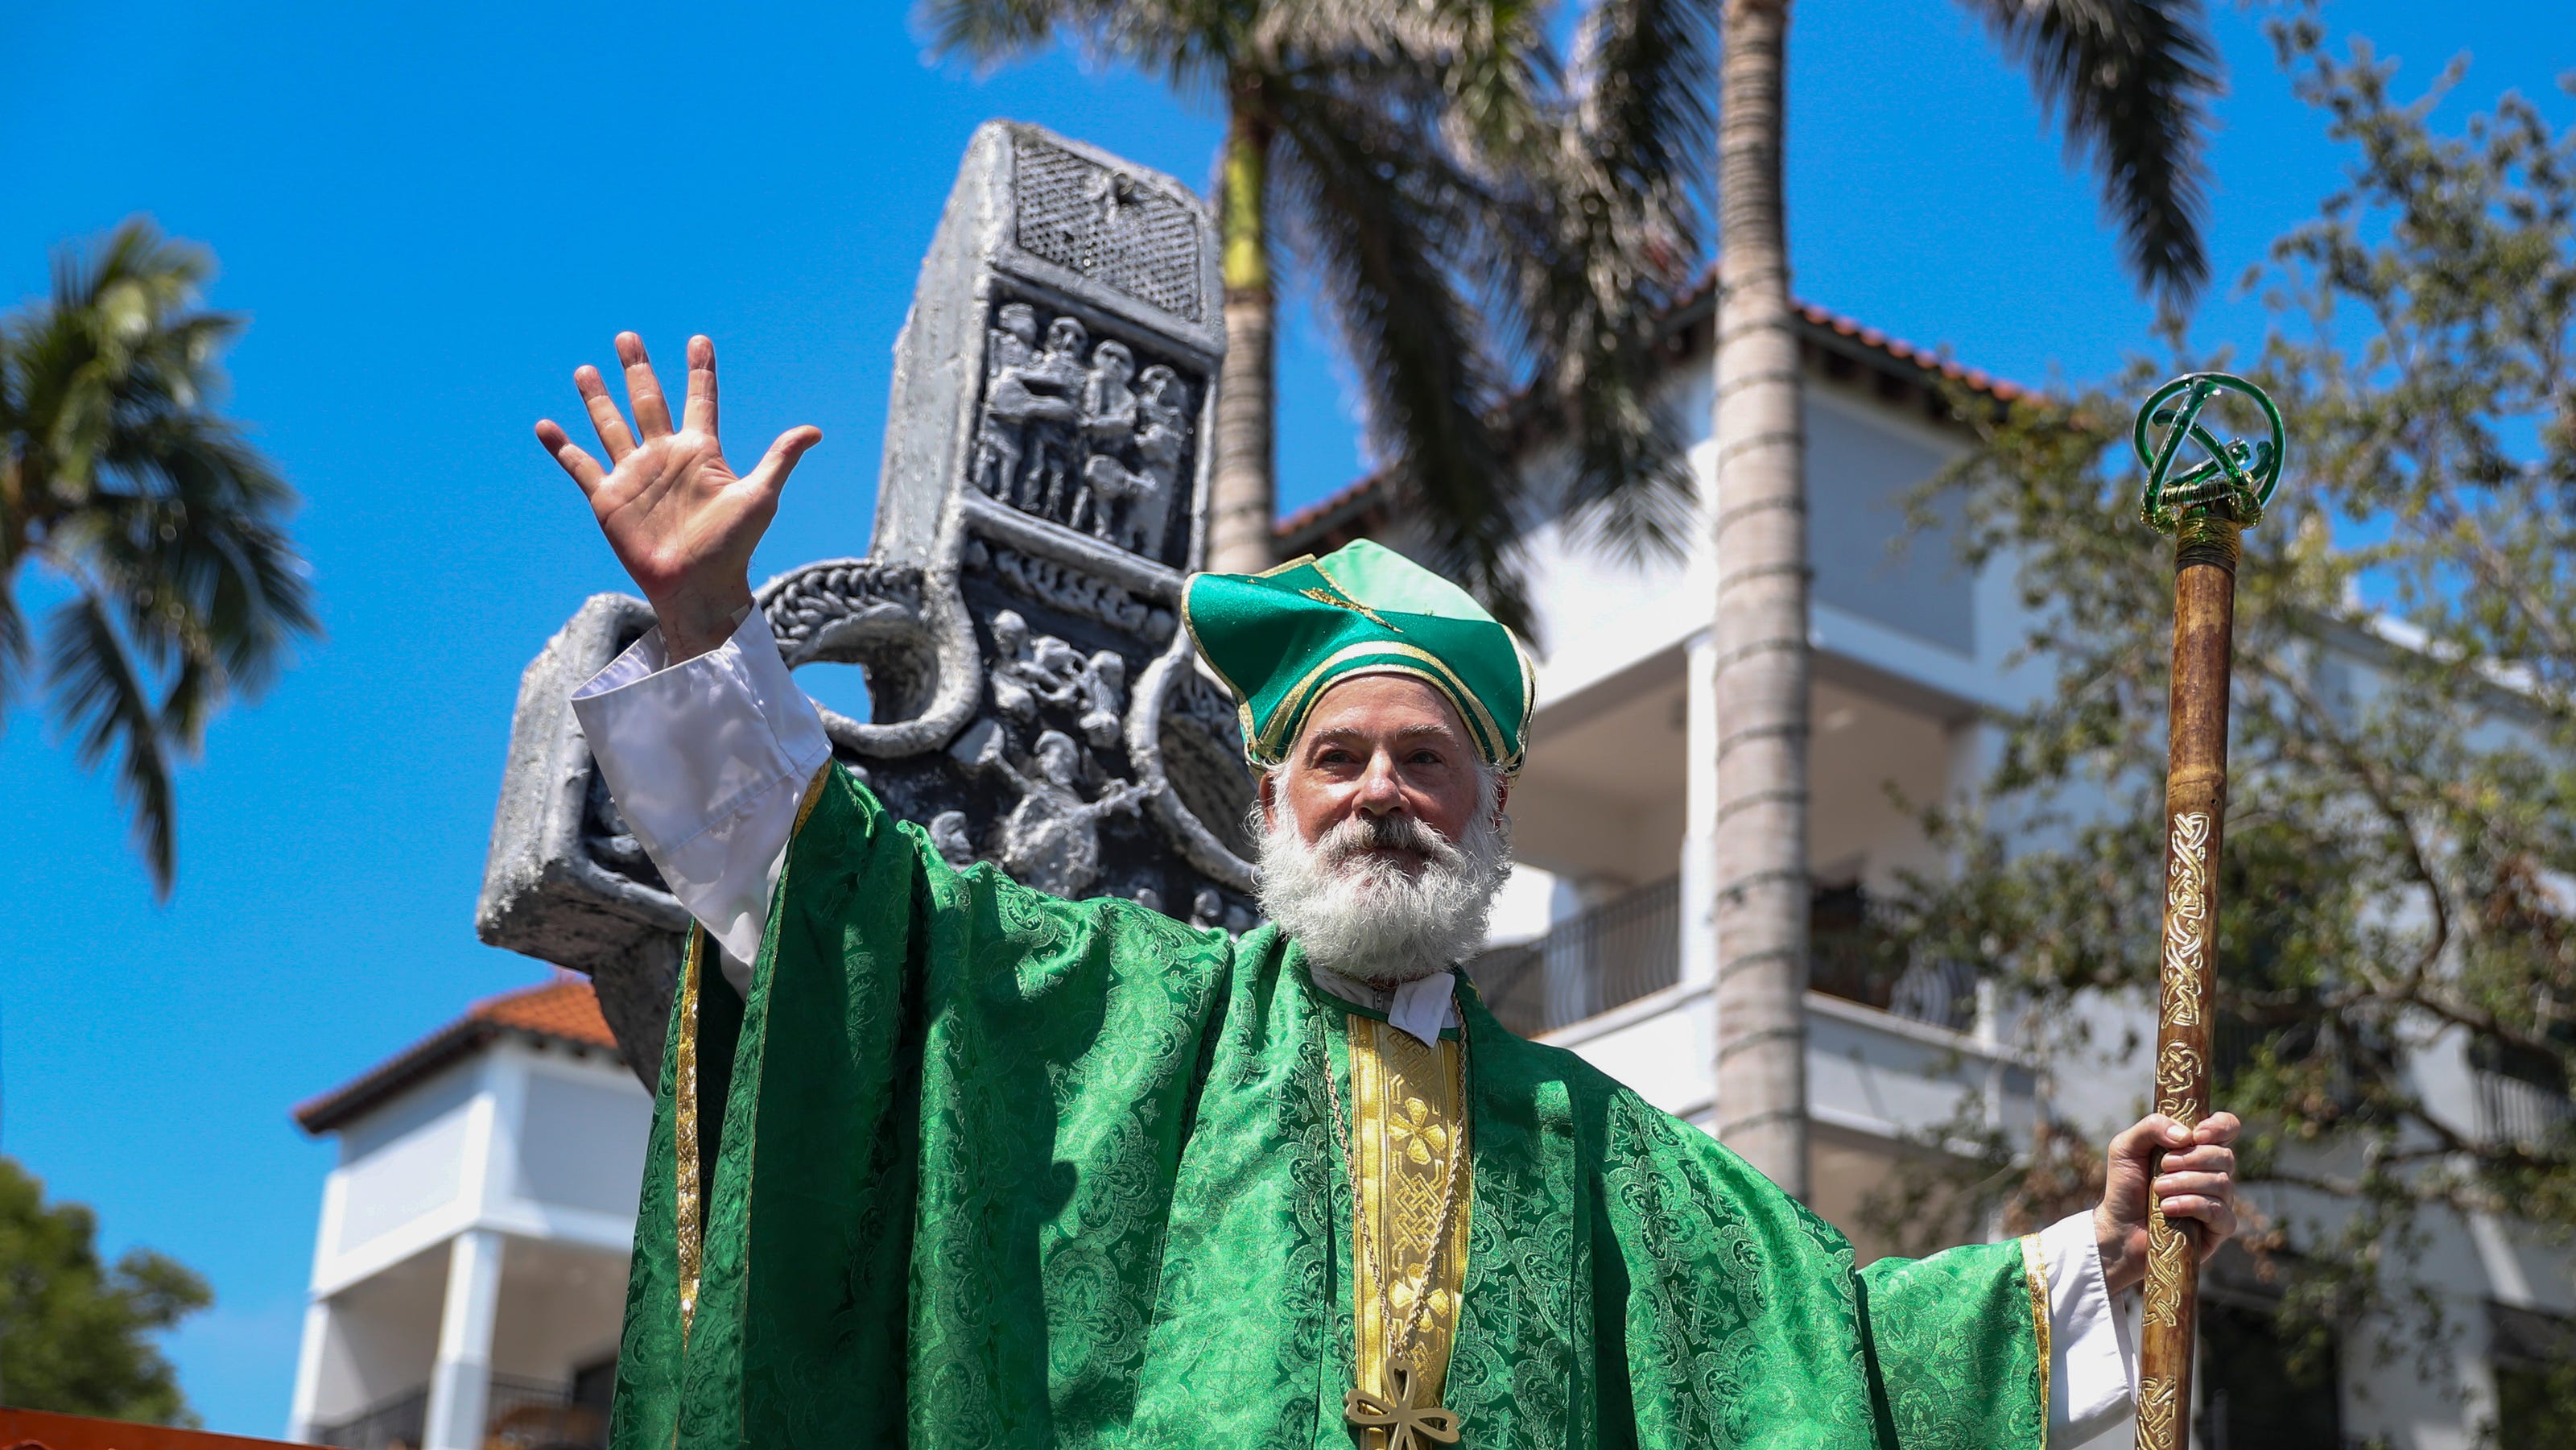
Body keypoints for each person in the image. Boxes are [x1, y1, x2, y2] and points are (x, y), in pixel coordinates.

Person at [535, 334, 2242, 1449]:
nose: (1381, 795)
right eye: (1338, 758)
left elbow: (1836, 1359)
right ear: (1269, 794)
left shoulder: (1607, 1156)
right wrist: (703, 628)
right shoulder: (1119, 1010)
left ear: (1492, 803)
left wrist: (2093, 1255)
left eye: (1426, 762)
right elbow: (849, 920)